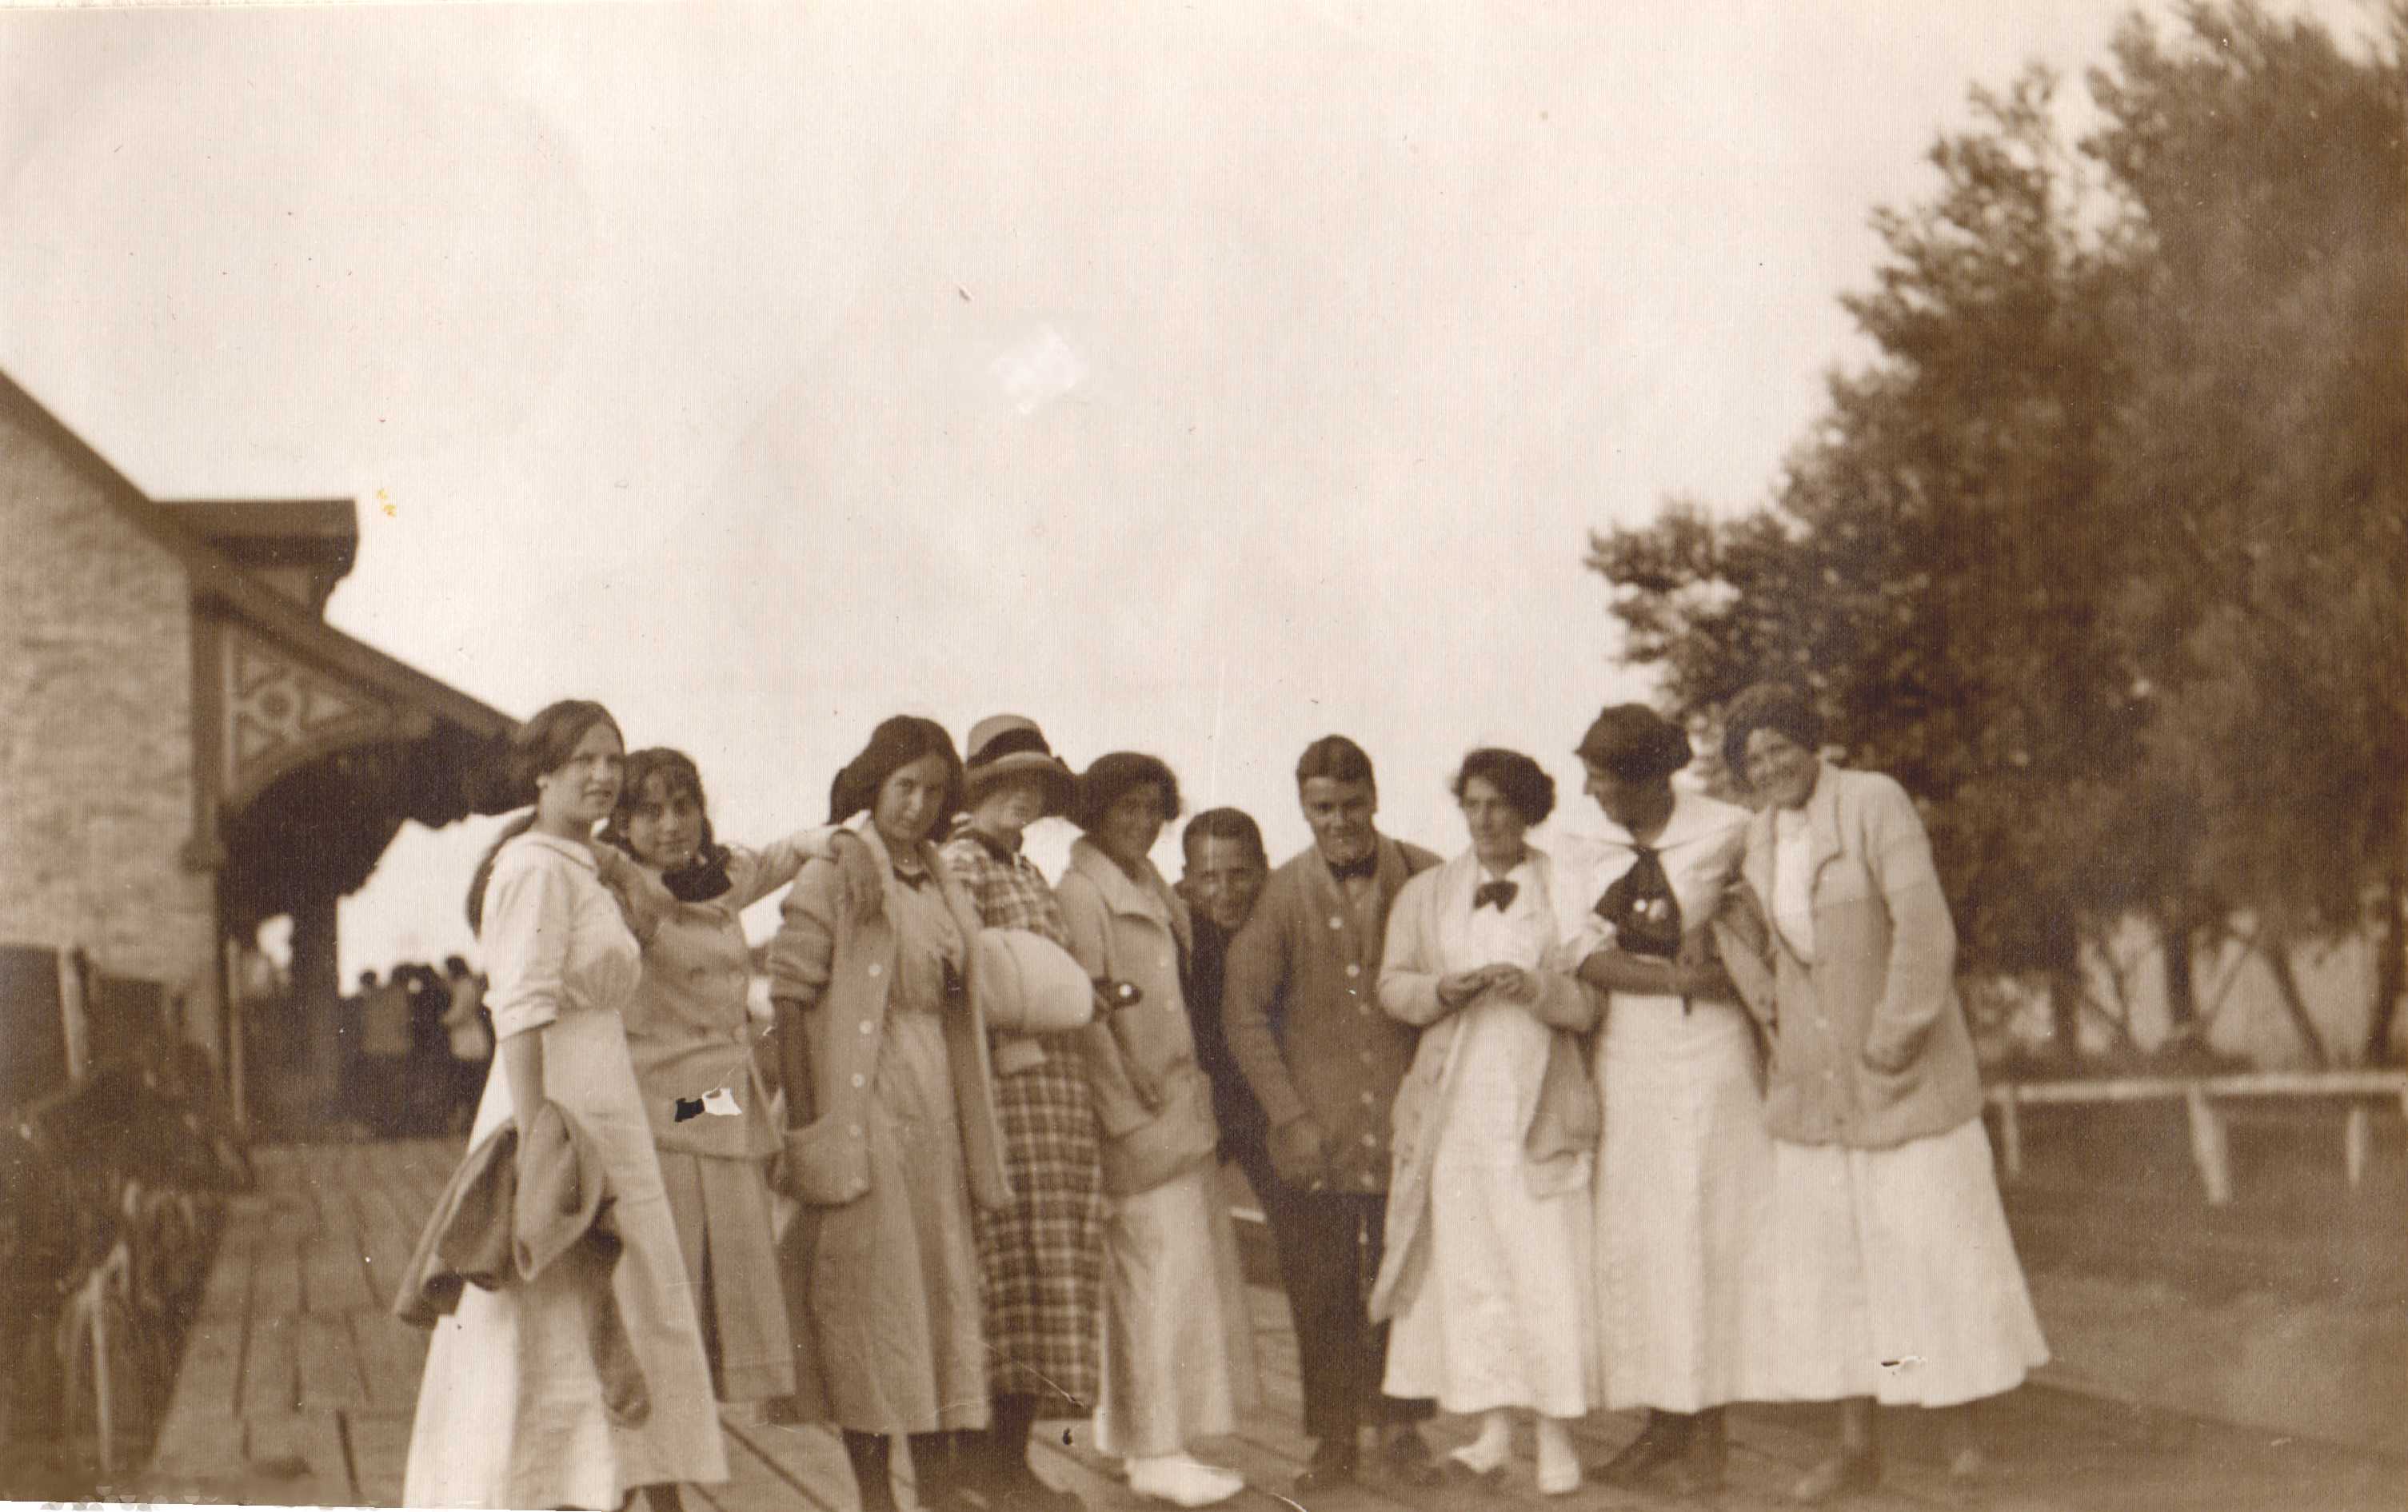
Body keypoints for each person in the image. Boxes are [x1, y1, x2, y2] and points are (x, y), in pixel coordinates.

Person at [1715, 684, 2049, 1503]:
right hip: (1816, 1098)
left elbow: (1923, 930)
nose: (1768, 767)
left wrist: (1891, 1039)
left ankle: (1962, 1446)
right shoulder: (1755, 841)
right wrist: (1774, 1020)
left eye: (1778, 748)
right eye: (1751, 758)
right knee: (1836, 1275)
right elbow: (1745, 938)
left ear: (1811, 743)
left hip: (1899, 1086)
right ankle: (1854, 1446)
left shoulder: (1872, 802)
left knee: (1929, 1263)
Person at [403, 699, 727, 1512]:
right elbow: (518, 1009)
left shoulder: (579, 862)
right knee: (556, 1307)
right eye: (583, 758)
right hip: (557, 1102)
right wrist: (539, 1139)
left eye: (612, 760)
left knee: (619, 1297)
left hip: (606, 1094)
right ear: (539, 771)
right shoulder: (533, 867)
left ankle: (611, 1481)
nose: (602, 774)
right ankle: (549, 1489)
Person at [765, 716, 1004, 1512]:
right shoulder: (836, 872)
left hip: (934, 1107)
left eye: (935, 791)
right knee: (865, 1305)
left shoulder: (938, 876)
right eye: (904, 786)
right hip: (860, 1108)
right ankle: (875, 1498)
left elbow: (958, 999)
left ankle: (938, 1492)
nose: (917, 804)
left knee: (938, 1298)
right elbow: (791, 1003)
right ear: (873, 784)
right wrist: (811, 1128)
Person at [1560, 704, 1779, 1494]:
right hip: (1628, 1053)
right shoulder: (1581, 845)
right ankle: (1661, 1427)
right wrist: (1669, 978)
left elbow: (1767, 921)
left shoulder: (1728, 828)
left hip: (1713, 1050)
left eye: (1602, 778)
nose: (1588, 792)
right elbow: (1580, 951)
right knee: (1641, 1235)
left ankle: (1708, 1436)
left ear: (1650, 776)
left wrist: (1723, 942)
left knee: (1709, 1227)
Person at [1369, 748, 1599, 1496]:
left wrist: (1534, 985)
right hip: (1456, 1104)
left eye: (1499, 803)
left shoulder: (1565, 884)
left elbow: (1591, 1002)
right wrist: (1445, 986)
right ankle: (1492, 1429)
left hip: (1535, 1095)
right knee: (1472, 1267)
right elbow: (1392, 987)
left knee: (1545, 1263)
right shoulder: (1430, 894)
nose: (1483, 818)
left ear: (1528, 808)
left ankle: (1557, 1436)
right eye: (1471, 803)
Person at [1220, 736, 1444, 1494]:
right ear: (1304, 809)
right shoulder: (1280, 895)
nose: (1339, 822)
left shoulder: (1426, 876)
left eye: (1351, 805)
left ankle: (1403, 1426)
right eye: (1322, 808)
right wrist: (1289, 1117)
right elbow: (1244, 1015)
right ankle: (1333, 1437)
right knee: (1320, 1284)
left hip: (1409, 1126)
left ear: (1374, 798)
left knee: (1402, 1273)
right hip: (1316, 1134)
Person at [602, 748, 839, 1416]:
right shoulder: (617, 893)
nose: (671, 824)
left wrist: (843, 838)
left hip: (721, 1095)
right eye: (648, 811)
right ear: (619, 823)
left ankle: (688, 1433)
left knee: (725, 1270)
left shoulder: (722, 875)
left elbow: (790, 851)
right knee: (673, 1272)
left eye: (684, 805)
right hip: (660, 1101)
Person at [1056, 752, 1257, 1509]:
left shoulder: (1143, 884)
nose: (1139, 821)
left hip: (1177, 1103)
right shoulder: (1082, 894)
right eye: (1123, 808)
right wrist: (1123, 1109)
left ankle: (1136, 1433)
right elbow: (1087, 1012)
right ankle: (1157, 1449)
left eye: (1151, 807)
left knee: (1163, 1275)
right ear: (1093, 813)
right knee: (1156, 1279)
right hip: (1137, 1111)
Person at [937, 715, 1103, 1512]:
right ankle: (983, 1467)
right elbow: (964, 978)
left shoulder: (1027, 872)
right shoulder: (962, 864)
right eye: (1007, 782)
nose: (1021, 797)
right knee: (1006, 1275)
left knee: (1047, 1276)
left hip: (1055, 1102)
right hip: (1005, 1096)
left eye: (1034, 785)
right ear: (977, 790)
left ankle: (1011, 1459)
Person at [1174, 808, 1274, 1203]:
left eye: (1239, 874)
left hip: (1269, 1109)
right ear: (1187, 877)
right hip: (1199, 1111)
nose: (1225, 891)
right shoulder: (1171, 929)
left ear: (1264, 869)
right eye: (1210, 877)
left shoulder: (1282, 918)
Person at [438, 955, 492, 1135]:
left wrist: (441, 1022)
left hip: (469, 1044)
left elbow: (460, 1014)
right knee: (467, 1084)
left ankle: (465, 1124)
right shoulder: (464, 984)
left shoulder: (465, 986)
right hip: (467, 1041)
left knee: (465, 1084)